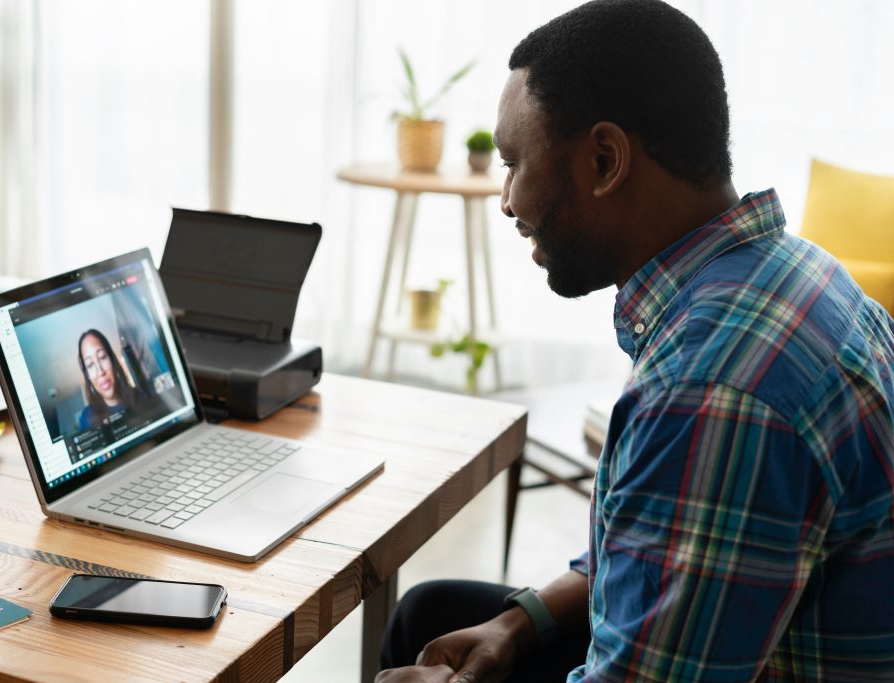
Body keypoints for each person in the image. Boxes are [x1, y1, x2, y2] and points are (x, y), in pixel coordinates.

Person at [376, 1, 894, 681]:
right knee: (431, 612)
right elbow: (666, 547)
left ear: (603, 159)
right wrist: (519, 619)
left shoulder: (711, 388)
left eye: (513, 162)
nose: (506, 199)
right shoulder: (795, 273)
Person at [76, 328, 141, 430]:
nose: (100, 372)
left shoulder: (141, 395)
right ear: (87, 376)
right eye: (90, 365)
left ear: (112, 360)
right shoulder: (86, 418)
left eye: (102, 357)